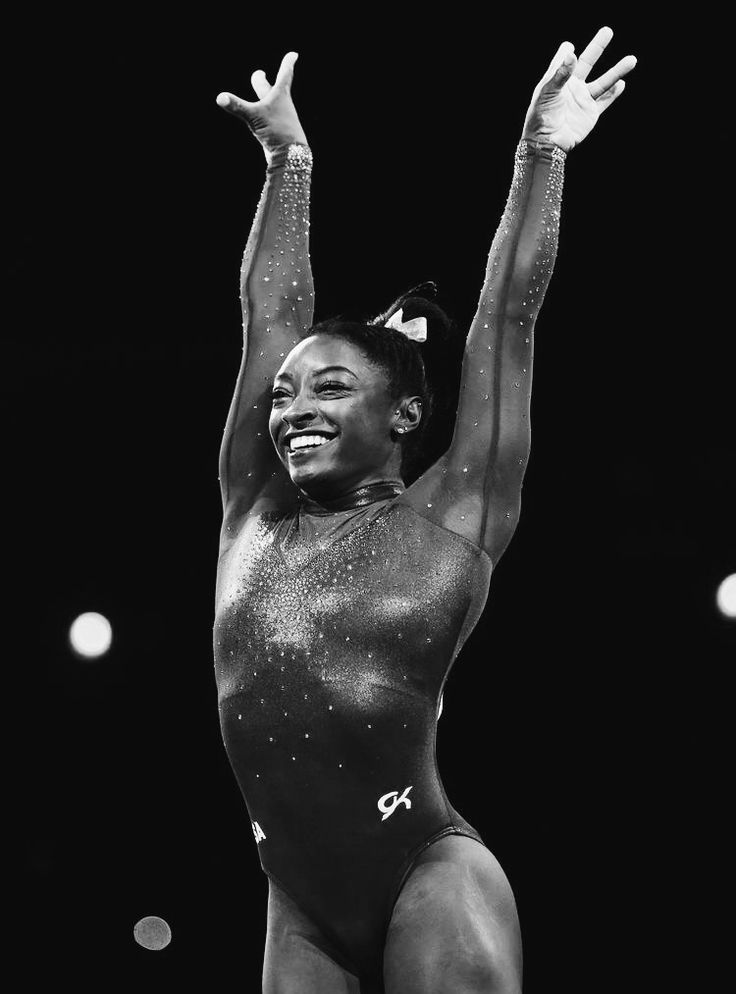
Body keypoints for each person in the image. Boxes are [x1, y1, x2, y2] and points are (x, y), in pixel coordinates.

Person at [213, 28, 636, 994]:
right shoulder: (252, 508)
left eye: (328, 390)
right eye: (283, 395)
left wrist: (544, 153)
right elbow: (267, 320)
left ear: (404, 412)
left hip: (426, 876)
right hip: (298, 907)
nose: (293, 410)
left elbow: (510, 317)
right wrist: (288, 162)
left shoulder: (458, 513)